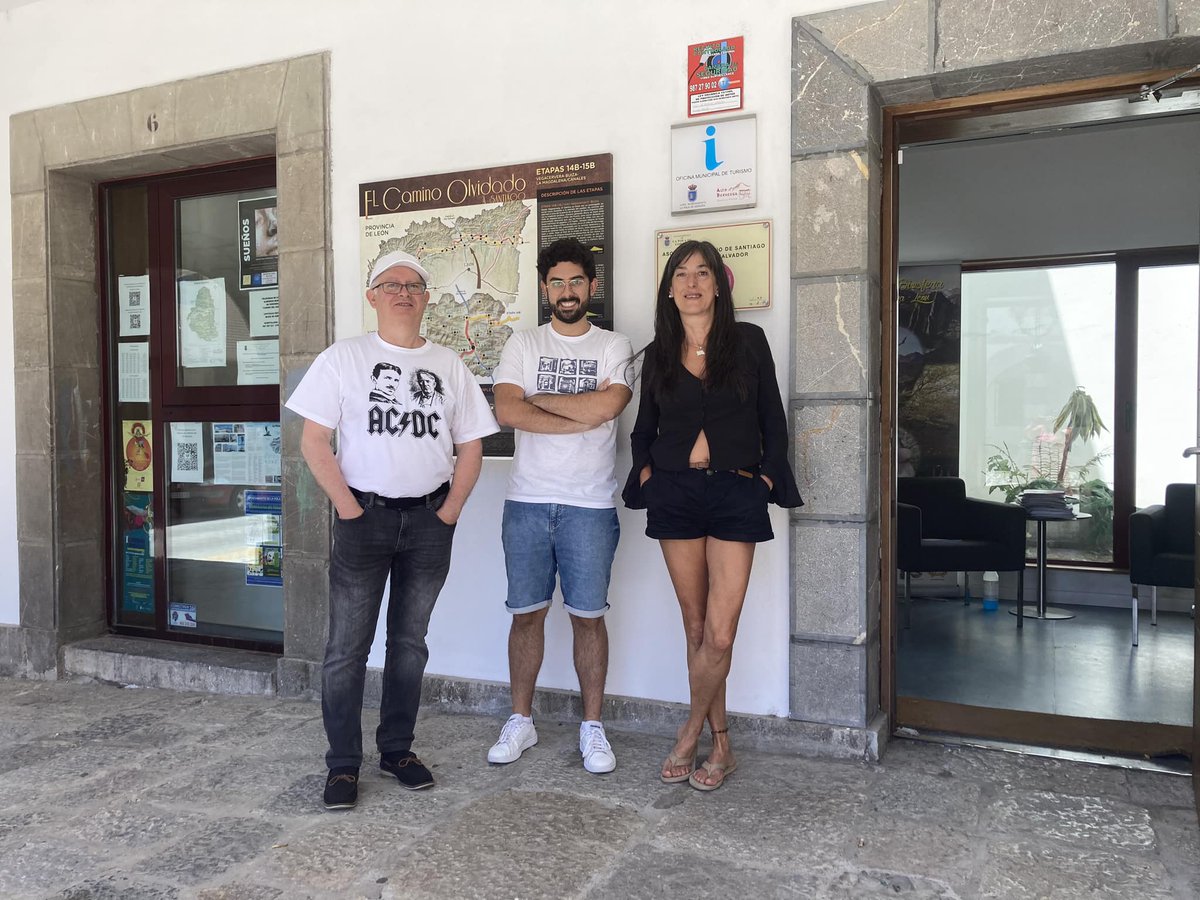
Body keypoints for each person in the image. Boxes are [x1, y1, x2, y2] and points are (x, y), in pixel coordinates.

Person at [286, 249, 498, 810]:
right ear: (372, 296)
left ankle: (396, 749)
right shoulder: (343, 358)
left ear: (427, 299)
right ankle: (343, 764)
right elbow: (313, 441)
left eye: (415, 284)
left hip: (429, 522)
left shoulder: (450, 364)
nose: (404, 292)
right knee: (345, 650)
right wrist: (349, 510)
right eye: (391, 284)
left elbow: (472, 444)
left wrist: (448, 511)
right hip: (365, 519)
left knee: (409, 645)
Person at [622, 240, 802, 791]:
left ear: (720, 286)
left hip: (734, 492)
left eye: (703, 272)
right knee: (695, 626)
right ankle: (721, 746)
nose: (693, 282)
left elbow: (773, 416)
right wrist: (649, 476)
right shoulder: (658, 352)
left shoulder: (748, 342)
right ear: (669, 287)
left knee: (720, 636)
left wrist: (767, 477)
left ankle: (689, 731)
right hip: (675, 493)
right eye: (682, 273)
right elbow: (643, 429)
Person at [487, 238, 633, 774]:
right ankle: (521, 721)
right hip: (526, 502)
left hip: (590, 505)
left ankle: (592, 728)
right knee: (525, 616)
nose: (566, 291)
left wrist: (539, 402)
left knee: (588, 619)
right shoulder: (522, 343)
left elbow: (610, 405)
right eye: (557, 282)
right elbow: (507, 410)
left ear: (591, 287)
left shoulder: (614, 345)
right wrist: (579, 412)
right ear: (544, 287)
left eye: (576, 281)